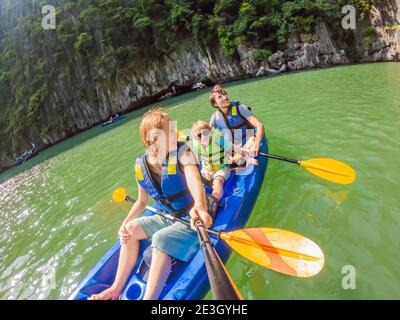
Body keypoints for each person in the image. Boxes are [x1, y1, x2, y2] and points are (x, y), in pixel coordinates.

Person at [90, 109, 212, 300]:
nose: (176, 132)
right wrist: (125, 222)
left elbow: (194, 179)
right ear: (154, 139)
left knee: (160, 239)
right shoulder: (141, 165)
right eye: (169, 130)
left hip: (192, 218)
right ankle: (115, 289)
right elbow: (141, 201)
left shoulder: (183, 152)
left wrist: (200, 205)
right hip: (168, 217)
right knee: (130, 230)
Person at [191, 120, 257, 202]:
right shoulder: (197, 145)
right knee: (195, 180)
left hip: (221, 168)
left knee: (218, 181)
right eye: (199, 136)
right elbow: (196, 162)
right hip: (206, 170)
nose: (203, 137)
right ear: (195, 138)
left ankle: (214, 200)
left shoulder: (218, 140)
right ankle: (195, 201)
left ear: (211, 132)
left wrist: (248, 159)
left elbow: (234, 148)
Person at [208, 85, 264, 159]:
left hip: (247, 142)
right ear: (215, 104)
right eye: (220, 97)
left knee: (252, 140)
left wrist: (257, 143)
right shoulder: (215, 117)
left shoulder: (239, 107)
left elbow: (259, 125)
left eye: (224, 94)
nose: (225, 97)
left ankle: (234, 160)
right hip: (230, 147)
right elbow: (207, 135)